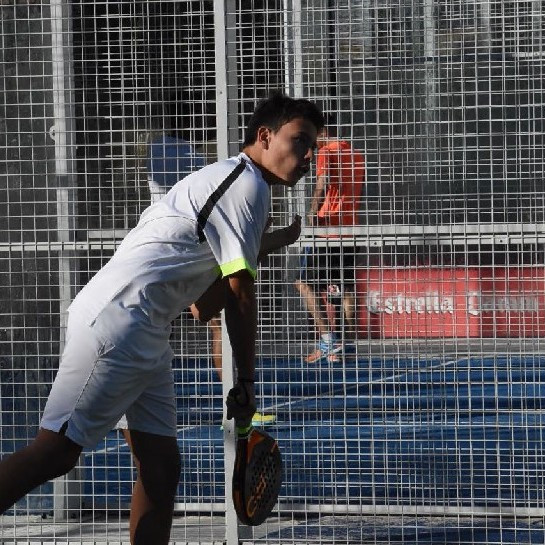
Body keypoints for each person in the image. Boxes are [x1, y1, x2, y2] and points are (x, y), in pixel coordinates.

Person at [0, 92, 324, 545]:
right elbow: (238, 296)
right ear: (265, 136)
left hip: (144, 328)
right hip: (119, 322)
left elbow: (201, 307)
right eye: (300, 140)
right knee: (55, 452)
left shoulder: (239, 183)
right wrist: (247, 383)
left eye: (313, 146)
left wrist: (267, 245)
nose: (309, 156)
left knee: (160, 467)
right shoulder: (246, 185)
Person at [145, 121, 276, 426]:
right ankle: (235, 396)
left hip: (180, 249)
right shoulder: (181, 154)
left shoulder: (171, 152)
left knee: (188, 323)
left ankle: (229, 395)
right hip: (189, 250)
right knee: (213, 320)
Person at [294, 126, 365, 363]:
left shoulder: (327, 152)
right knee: (344, 287)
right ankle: (347, 345)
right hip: (350, 230)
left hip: (328, 231)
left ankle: (327, 341)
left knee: (304, 283)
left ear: (322, 131)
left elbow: (322, 183)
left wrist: (312, 213)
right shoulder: (355, 154)